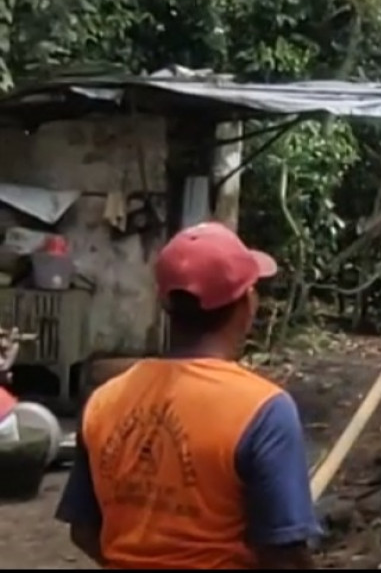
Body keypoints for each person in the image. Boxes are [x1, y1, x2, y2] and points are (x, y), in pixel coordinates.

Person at [54, 222, 321, 569]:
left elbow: (84, 529)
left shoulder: (104, 401)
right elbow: (283, 556)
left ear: (166, 304)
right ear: (248, 303)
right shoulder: (264, 409)